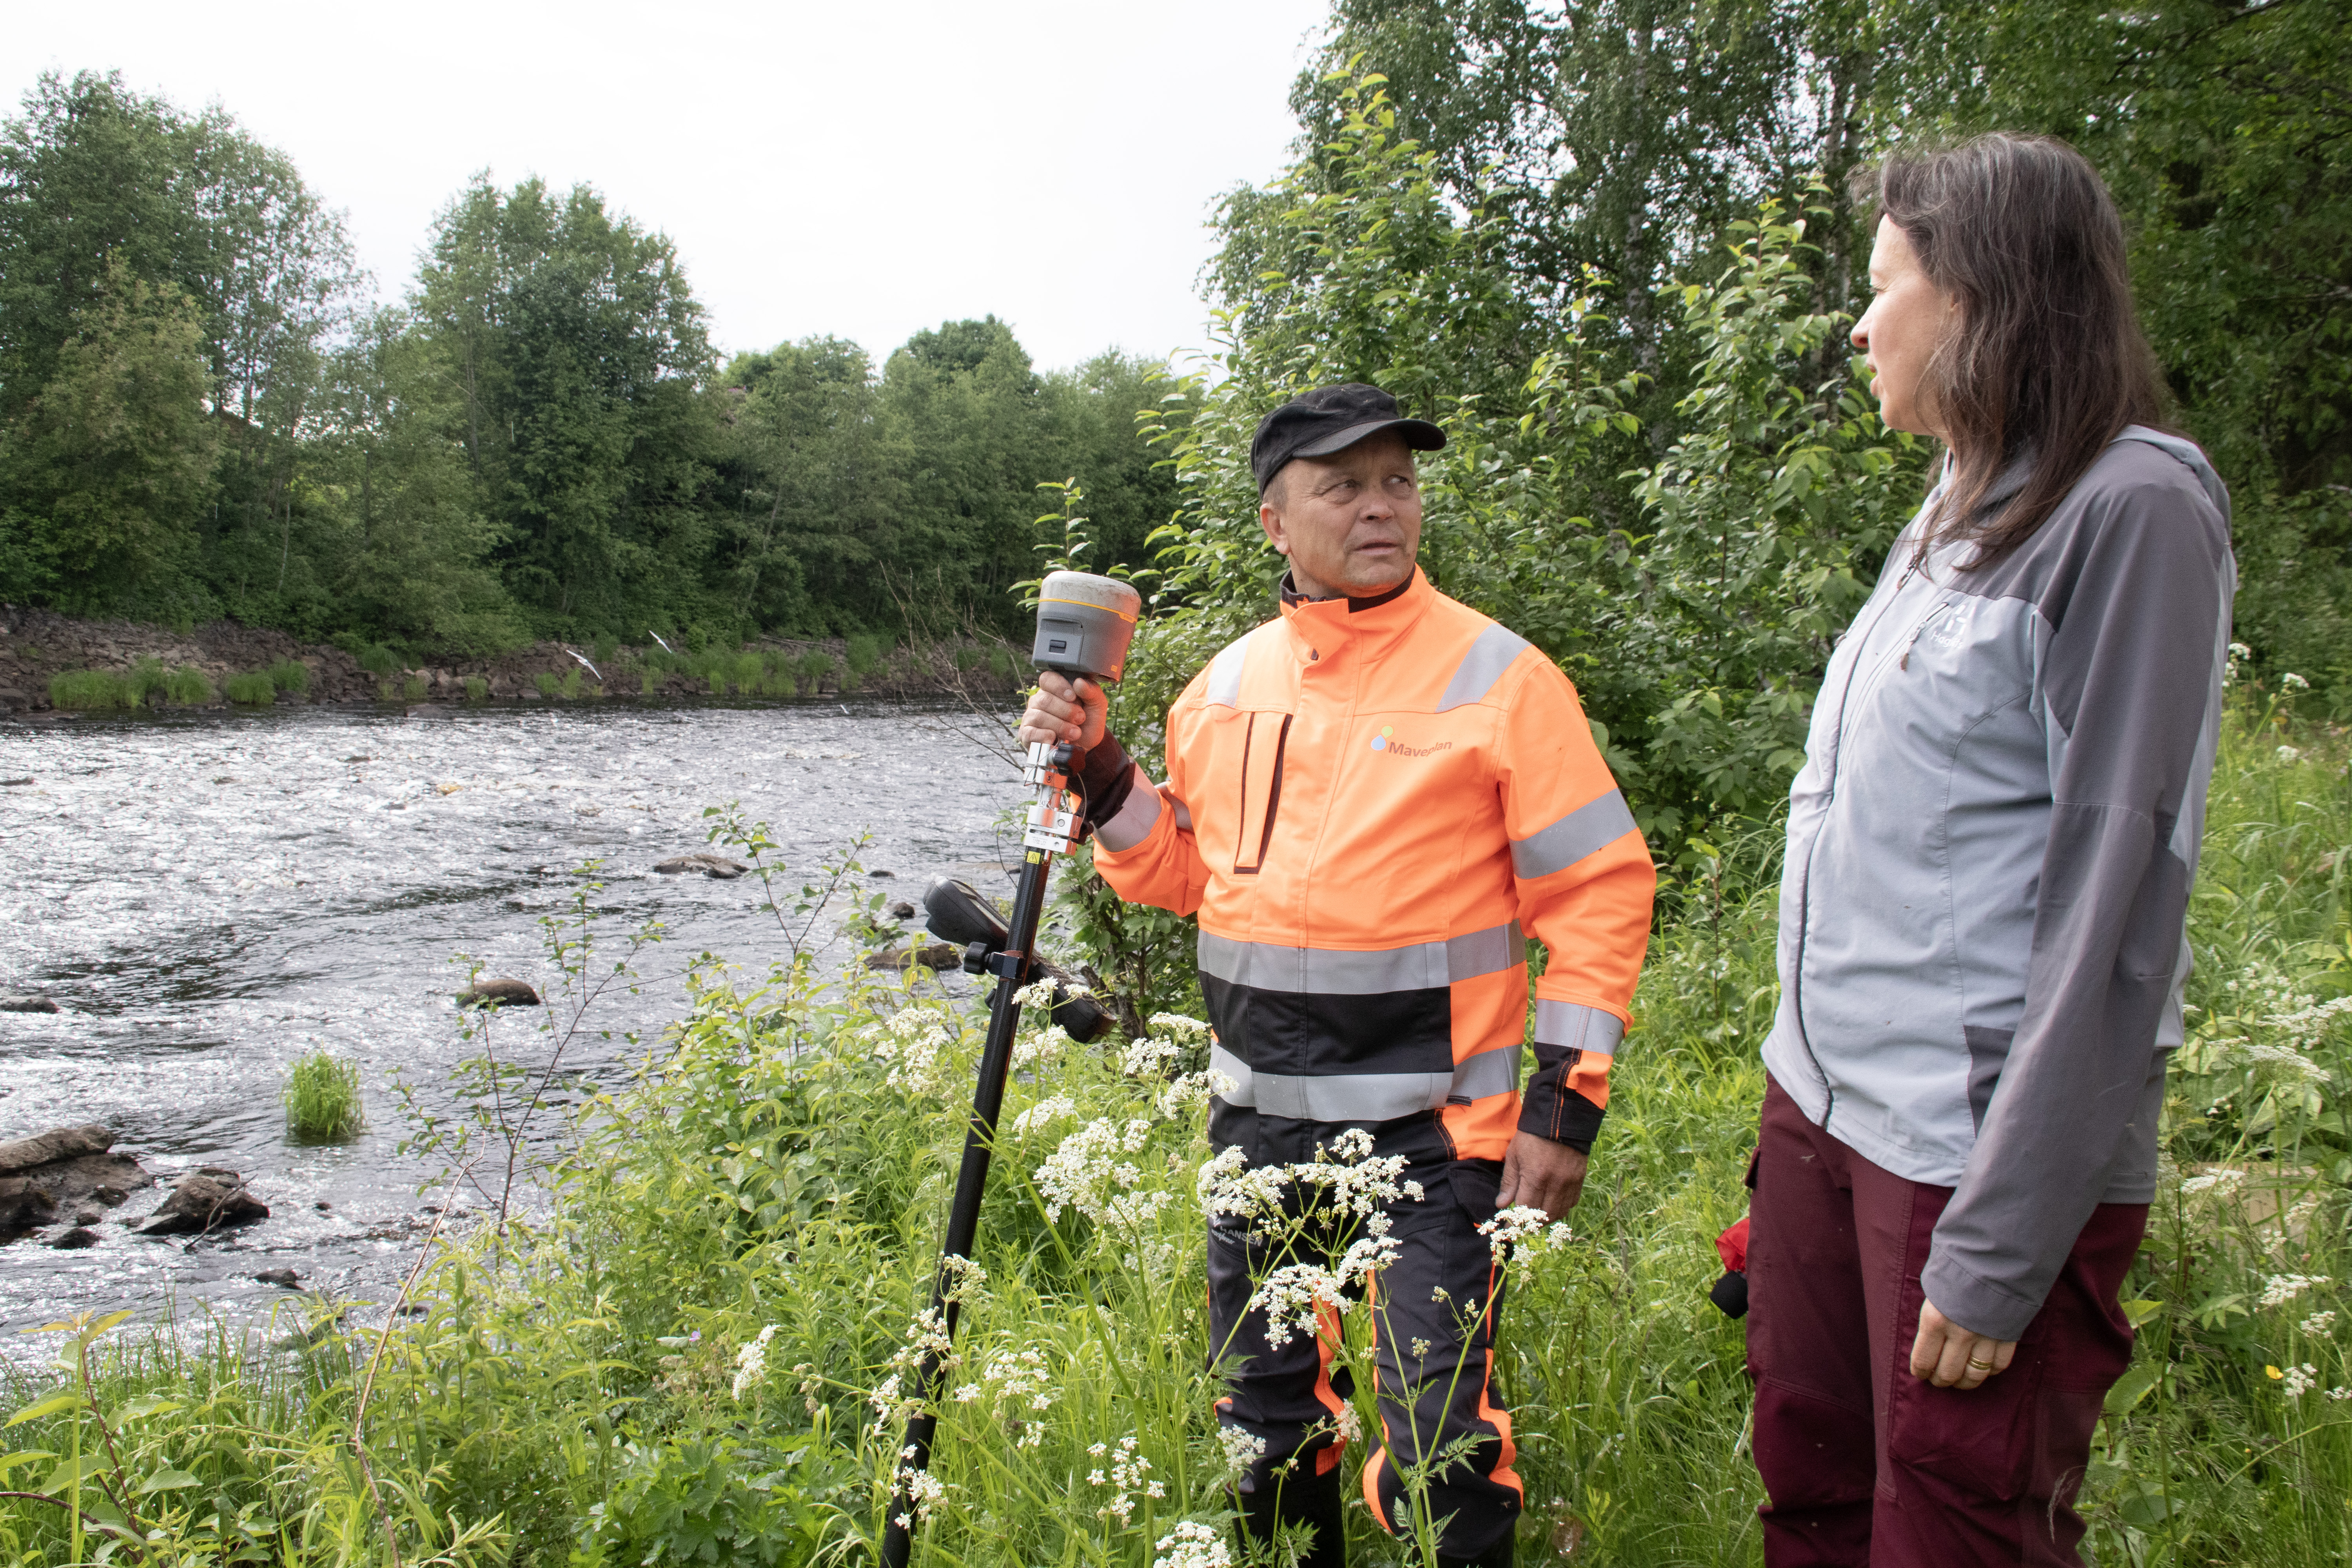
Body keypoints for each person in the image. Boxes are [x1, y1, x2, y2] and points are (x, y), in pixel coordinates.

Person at [1019, 383, 1654, 1568]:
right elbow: (1180, 874)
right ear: (1276, 519)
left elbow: (1601, 890)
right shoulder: (1220, 688)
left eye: (1398, 481)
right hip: (1256, 1129)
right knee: (1264, 1428)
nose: (1382, 506)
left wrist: (1567, 1108)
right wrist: (1101, 764)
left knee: (1440, 1446)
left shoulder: (1502, 679)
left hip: (1435, 1141)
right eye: (1345, 484)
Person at [1747, 134, 2236, 1565]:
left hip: (1969, 1159)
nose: (1859, 323)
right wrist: (1800, 1134)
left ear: (1980, 298)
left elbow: (2118, 906)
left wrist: (2005, 1238)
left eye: (1885, 282)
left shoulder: (2131, 508)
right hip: (1830, 1119)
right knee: (1816, 1490)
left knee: (1955, 1530)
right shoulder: (1958, 497)